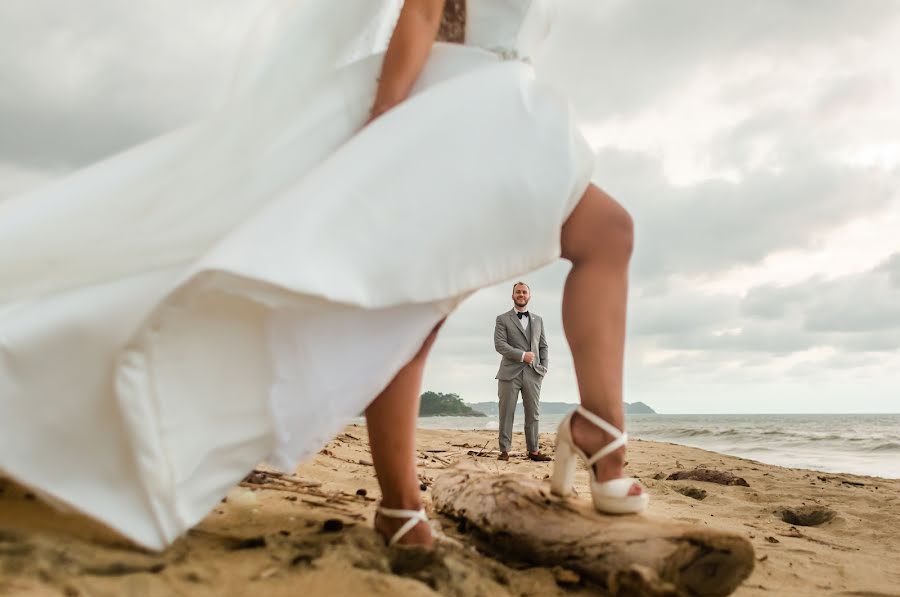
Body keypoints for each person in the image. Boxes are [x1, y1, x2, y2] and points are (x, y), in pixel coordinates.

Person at [0, 0, 647, 552]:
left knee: (599, 236)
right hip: (447, 104)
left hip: (501, 107)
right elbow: (422, 7)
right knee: (415, 300)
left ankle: (597, 432)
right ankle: (401, 503)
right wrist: (385, 123)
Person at [493, 282, 551, 462]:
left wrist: (544, 367)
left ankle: (533, 451)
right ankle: (504, 451)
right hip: (509, 372)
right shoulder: (502, 319)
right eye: (518, 292)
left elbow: (543, 345)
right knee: (506, 412)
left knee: (533, 413)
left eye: (524, 292)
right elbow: (500, 345)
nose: (521, 294)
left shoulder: (538, 319)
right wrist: (522, 355)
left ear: (529, 296)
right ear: (512, 296)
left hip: (533, 373)